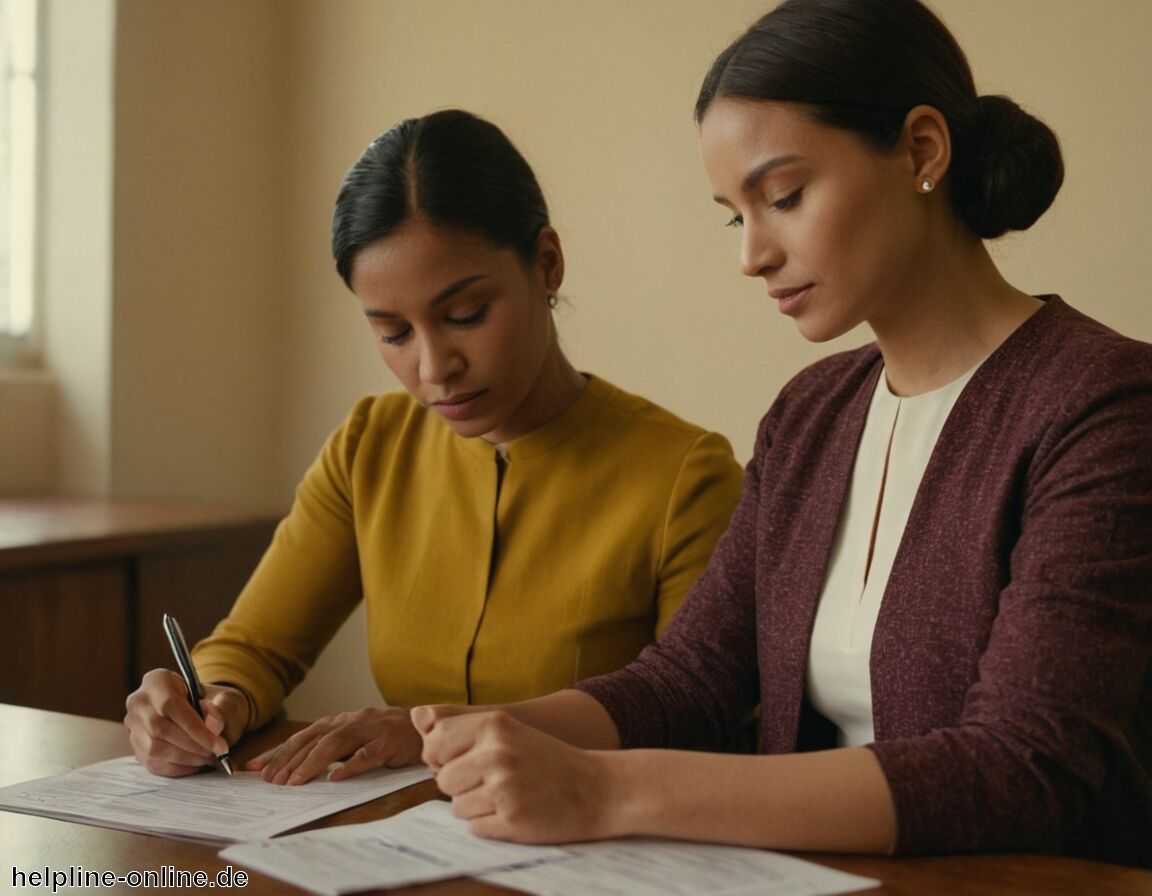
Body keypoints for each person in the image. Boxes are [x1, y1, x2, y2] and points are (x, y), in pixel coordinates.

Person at [414, 0, 1152, 868]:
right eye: (736, 213)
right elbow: (690, 681)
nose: (752, 254)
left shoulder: (1106, 405)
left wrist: (604, 789)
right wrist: (461, 733)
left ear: (922, 151)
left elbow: (1021, 766)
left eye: (785, 196)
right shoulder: (811, 415)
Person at [123, 109, 743, 785]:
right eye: (393, 333)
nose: (433, 366)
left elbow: (694, 717)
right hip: (401, 846)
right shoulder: (371, 447)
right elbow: (256, 646)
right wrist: (208, 703)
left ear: (547, 264)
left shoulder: (686, 475)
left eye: (466, 316)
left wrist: (426, 736)